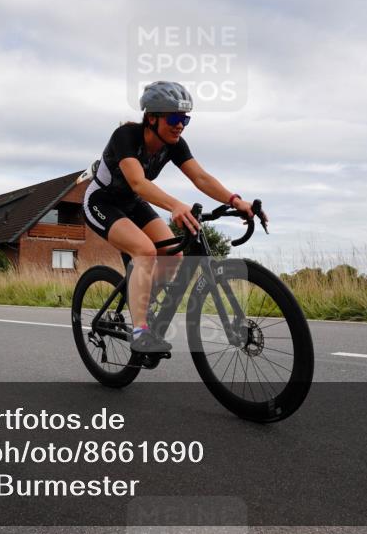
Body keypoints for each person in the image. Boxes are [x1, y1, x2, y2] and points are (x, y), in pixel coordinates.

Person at [83, 81, 266, 354]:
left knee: (173, 254)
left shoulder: (175, 144)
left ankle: (140, 305)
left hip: (132, 205)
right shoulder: (126, 137)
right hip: (102, 202)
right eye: (174, 118)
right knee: (144, 251)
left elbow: (201, 177)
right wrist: (174, 205)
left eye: (185, 119)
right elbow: (137, 182)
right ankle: (140, 331)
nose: (180, 125)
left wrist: (235, 200)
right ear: (152, 118)